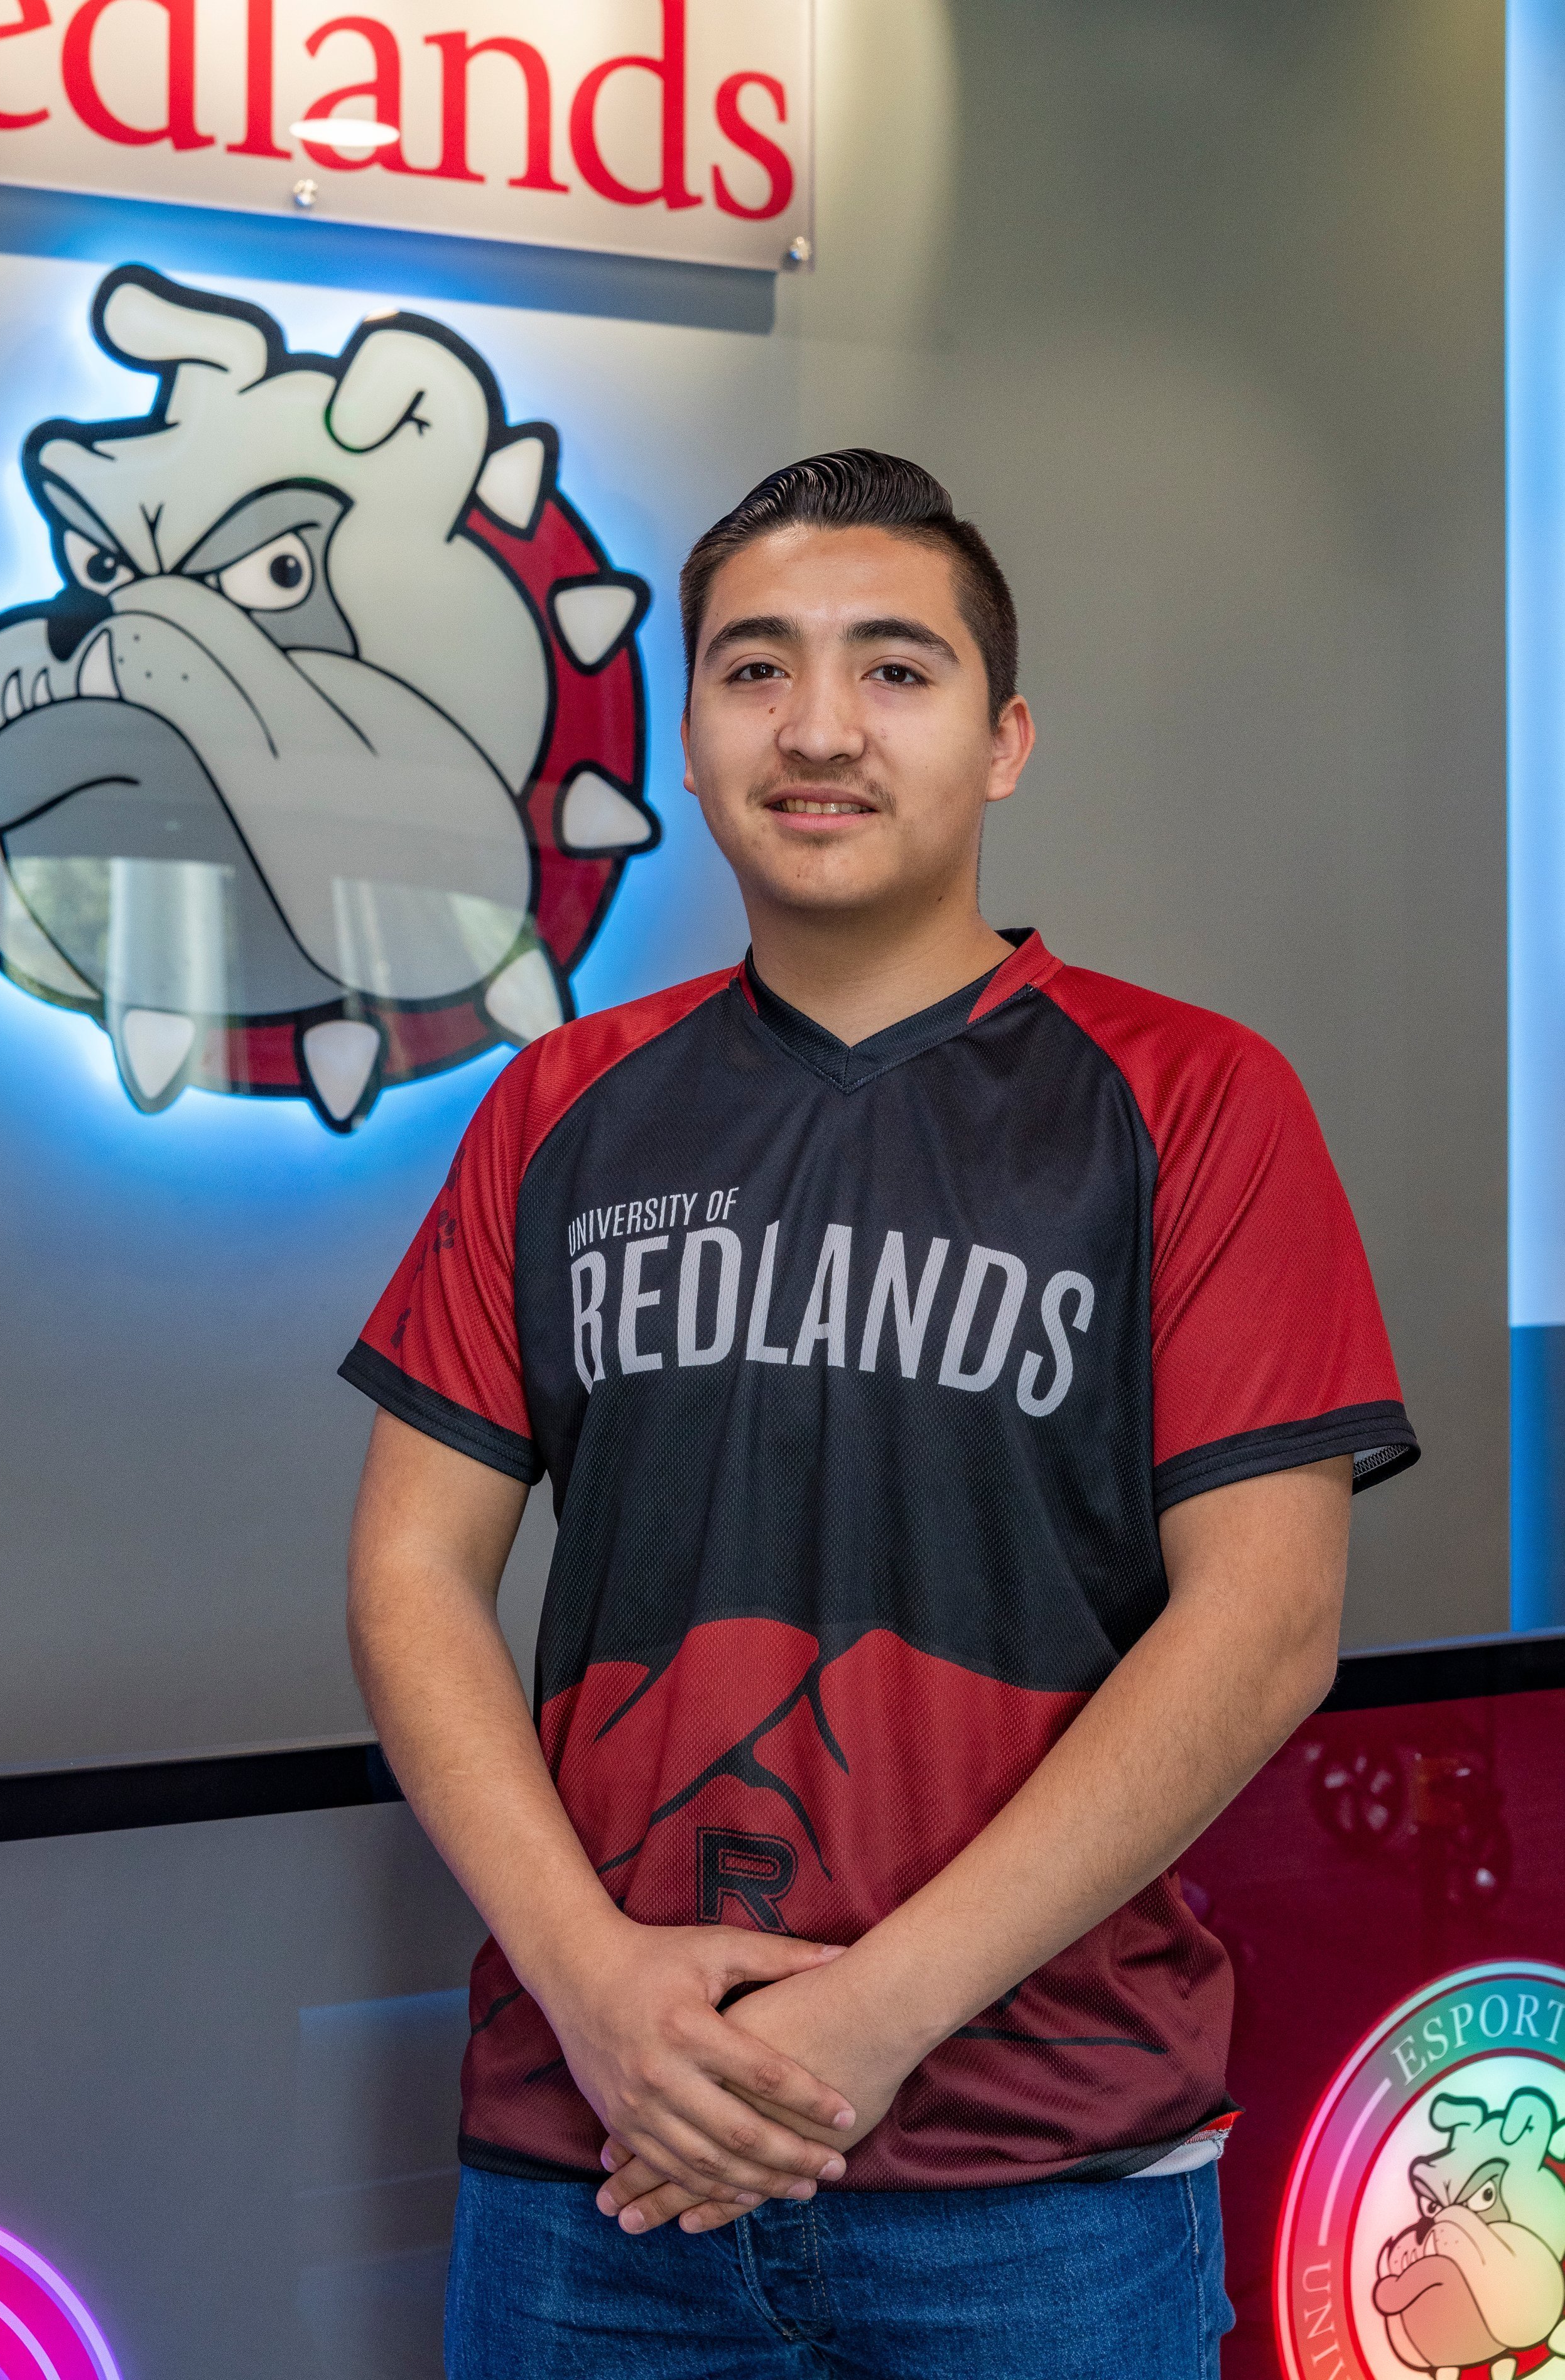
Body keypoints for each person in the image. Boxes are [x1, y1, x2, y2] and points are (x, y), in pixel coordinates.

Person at [341, 450, 1417, 2379]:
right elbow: (412, 1569)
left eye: (894, 670)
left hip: (1042, 2189)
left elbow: (1262, 1622)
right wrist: (594, 1995)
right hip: (594, 2163)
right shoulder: (556, 1109)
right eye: (754, 670)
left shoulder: (1190, 1102)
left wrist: (868, 2018)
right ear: (685, 732)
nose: (818, 727)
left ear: (1002, 741)